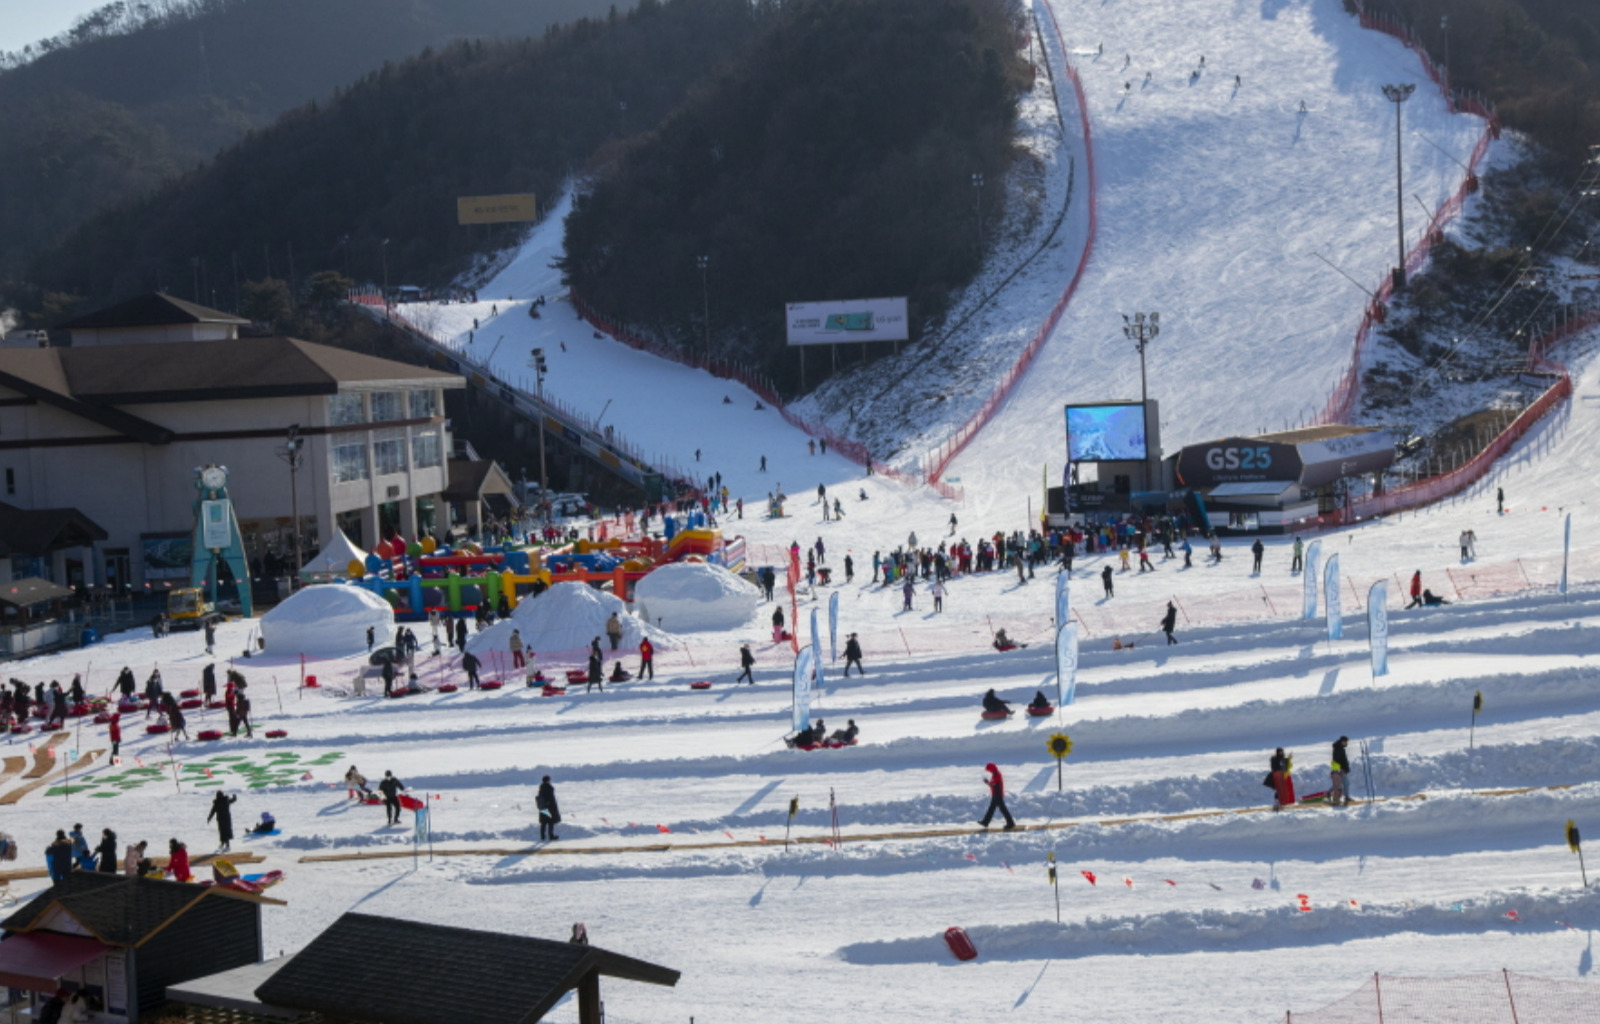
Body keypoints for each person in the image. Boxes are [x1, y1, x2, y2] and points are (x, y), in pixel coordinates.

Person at [978, 762, 1017, 830]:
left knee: (1002, 809)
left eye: (988, 770)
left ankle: (1011, 823)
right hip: (996, 794)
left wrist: (987, 782)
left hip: (997, 795)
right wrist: (988, 782)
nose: (988, 771)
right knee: (992, 809)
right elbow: (993, 784)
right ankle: (985, 822)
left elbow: (993, 784)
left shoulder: (996, 774)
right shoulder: (995, 773)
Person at [537, 775, 561, 841]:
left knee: (543, 822)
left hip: (542, 807)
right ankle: (551, 835)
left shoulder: (541, 788)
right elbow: (551, 798)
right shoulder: (549, 787)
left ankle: (542, 836)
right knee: (551, 821)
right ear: (548, 780)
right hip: (550, 807)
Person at [1329, 736, 1351, 808]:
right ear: (1342, 741)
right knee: (1341, 784)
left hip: (1340, 768)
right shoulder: (1338, 749)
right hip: (1339, 769)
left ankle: (1330, 794)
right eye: (1346, 742)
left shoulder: (1339, 747)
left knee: (1340, 784)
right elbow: (1339, 760)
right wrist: (1342, 769)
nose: (1346, 743)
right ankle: (1338, 798)